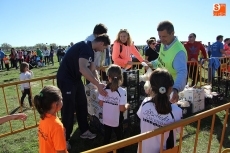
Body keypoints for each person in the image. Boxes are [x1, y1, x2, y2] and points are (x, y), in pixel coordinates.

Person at [56, 34, 110, 149]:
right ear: (101, 43)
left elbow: (92, 69)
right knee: (68, 109)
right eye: (104, 48)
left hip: (75, 79)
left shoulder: (91, 50)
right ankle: (64, 139)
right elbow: (82, 68)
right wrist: (97, 84)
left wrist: (99, 84)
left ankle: (84, 130)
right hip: (66, 79)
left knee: (82, 103)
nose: (103, 50)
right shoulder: (85, 47)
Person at [137, 68, 182, 153]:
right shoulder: (176, 111)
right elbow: (180, 131)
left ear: (151, 87)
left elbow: (140, 117)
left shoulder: (145, 103)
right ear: (170, 88)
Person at [151, 21, 187, 103]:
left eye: (164, 36)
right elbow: (161, 59)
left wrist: (175, 89)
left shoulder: (179, 52)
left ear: (172, 33)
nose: (161, 39)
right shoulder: (165, 43)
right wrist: (152, 64)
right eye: (159, 36)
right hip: (161, 84)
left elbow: (182, 72)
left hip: (170, 89)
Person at [98, 65, 130, 153]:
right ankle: (120, 150)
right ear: (120, 77)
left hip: (106, 118)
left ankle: (105, 150)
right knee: (119, 136)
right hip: (117, 119)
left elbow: (100, 103)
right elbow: (122, 109)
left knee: (107, 136)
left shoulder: (104, 89)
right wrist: (127, 105)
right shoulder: (122, 91)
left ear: (108, 77)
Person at [34, 86, 68, 153]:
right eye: (61, 99)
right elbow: (61, 151)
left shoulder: (43, 117)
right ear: (55, 104)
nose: (62, 100)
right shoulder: (57, 126)